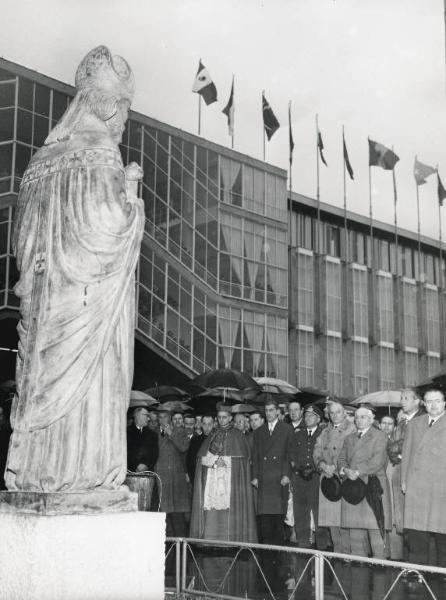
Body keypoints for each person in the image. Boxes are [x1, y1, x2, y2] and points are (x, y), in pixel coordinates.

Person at [5, 46, 144, 492]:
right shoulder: (100, 153)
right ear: (109, 106)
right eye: (124, 108)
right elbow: (109, 227)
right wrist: (132, 198)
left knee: (41, 391)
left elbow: (21, 244)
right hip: (86, 313)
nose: (124, 120)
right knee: (92, 398)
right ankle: (84, 480)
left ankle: (37, 475)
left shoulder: (38, 164)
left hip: (49, 312)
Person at [190, 405, 257, 542]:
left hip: (231, 481)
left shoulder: (238, 435)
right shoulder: (212, 435)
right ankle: (210, 539)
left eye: (224, 417)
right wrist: (214, 462)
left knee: (231, 510)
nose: (221, 420)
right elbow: (202, 459)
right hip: (213, 480)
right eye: (219, 417)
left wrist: (226, 462)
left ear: (230, 417)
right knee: (212, 511)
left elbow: (243, 461)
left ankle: (232, 540)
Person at [338, 406, 391, 558]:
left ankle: (380, 566)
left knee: (375, 530)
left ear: (371, 419)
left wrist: (357, 471)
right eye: (357, 417)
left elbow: (378, 461)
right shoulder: (350, 438)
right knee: (355, 531)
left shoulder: (380, 436)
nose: (358, 420)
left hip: (372, 486)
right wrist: (345, 470)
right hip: (352, 487)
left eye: (362, 417)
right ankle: (358, 567)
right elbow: (341, 458)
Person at [401, 389, 446, 567]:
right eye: (429, 401)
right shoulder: (415, 423)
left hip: (441, 485)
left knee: (443, 532)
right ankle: (417, 572)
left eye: (437, 401)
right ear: (423, 404)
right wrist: (404, 480)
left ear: (444, 403)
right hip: (417, 485)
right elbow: (407, 453)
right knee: (417, 532)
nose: (433, 405)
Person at [313, 401, 356, 553]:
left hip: (343, 479)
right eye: (331, 413)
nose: (335, 415)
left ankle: (347, 555)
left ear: (345, 413)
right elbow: (317, 452)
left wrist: (337, 467)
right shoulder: (324, 432)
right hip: (328, 479)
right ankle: (338, 553)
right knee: (332, 521)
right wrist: (323, 465)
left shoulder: (352, 429)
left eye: (338, 412)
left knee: (344, 521)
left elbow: (353, 454)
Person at [387, 389, 424, 560]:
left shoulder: (424, 420)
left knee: (418, 523)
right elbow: (391, 447)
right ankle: (407, 563)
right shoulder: (401, 424)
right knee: (402, 521)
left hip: (417, 476)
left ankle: (420, 565)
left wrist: (403, 453)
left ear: (417, 401)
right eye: (401, 398)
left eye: (406, 398)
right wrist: (401, 455)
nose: (402, 401)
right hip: (399, 471)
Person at [252, 399, 293, 545]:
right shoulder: (259, 432)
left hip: (279, 477)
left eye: (271, 410)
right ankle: (267, 550)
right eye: (266, 410)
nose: (268, 413)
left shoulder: (287, 429)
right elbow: (255, 456)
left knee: (278, 516)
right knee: (264, 518)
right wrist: (255, 476)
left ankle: (277, 549)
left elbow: (290, 454)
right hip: (264, 478)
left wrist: (287, 474)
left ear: (277, 411)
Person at [288, 404, 326, 548]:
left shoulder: (323, 434)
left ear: (318, 419)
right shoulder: (298, 434)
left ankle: (322, 546)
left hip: (317, 478)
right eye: (306, 416)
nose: (308, 418)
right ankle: (303, 544)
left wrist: (315, 469)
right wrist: (298, 468)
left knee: (319, 513)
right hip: (300, 478)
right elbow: (291, 455)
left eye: (311, 416)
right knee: (300, 512)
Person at [154, 408, 190, 536]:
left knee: (178, 512)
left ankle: (181, 542)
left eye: (165, 417)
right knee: (164, 510)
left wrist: (171, 433)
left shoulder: (180, 431)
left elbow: (184, 447)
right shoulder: (154, 433)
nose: (163, 420)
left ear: (170, 418)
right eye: (160, 417)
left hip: (177, 476)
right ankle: (167, 543)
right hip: (162, 475)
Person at [127, 406, 159, 472]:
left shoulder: (153, 435)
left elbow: (154, 454)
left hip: (147, 473)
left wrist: (147, 465)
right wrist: (135, 465)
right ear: (137, 415)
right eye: (146, 416)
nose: (148, 419)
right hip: (130, 472)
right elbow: (124, 453)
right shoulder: (125, 433)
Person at [186, 414, 215, 484]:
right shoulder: (195, 441)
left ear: (214, 424)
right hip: (199, 478)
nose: (207, 427)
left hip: (214, 478)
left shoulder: (218, 440)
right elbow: (190, 461)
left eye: (209, 424)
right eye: (204, 424)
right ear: (201, 424)